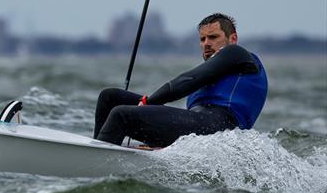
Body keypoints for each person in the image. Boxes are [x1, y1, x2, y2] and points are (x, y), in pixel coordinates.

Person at [93, 13, 268, 148]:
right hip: (196, 124)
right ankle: (99, 148)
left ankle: (94, 163)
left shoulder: (236, 54)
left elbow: (188, 80)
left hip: (218, 131)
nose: (206, 43)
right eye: (202, 39)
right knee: (109, 97)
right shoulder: (216, 72)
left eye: (213, 37)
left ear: (233, 39)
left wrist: (148, 101)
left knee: (121, 114)